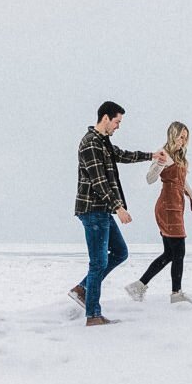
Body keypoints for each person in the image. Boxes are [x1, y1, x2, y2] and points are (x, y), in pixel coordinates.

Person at [69, 101, 165, 327]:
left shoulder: (103, 142)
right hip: (93, 210)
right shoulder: (90, 144)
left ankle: (82, 289)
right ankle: (93, 315)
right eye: (117, 121)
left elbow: (123, 155)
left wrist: (152, 155)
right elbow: (99, 181)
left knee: (120, 252)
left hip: (102, 210)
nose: (118, 126)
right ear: (105, 118)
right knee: (98, 262)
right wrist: (118, 208)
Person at [126, 121, 192, 304]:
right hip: (167, 206)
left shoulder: (179, 158)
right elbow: (150, 179)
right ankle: (176, 294)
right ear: (173, 134)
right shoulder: (164, 154)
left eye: (186, 138)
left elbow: (184, 185)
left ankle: (138, 286)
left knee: (170, 253)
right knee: (179, 251)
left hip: (176, 206)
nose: (183, 141)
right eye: (181, 137)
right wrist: (158, 165)